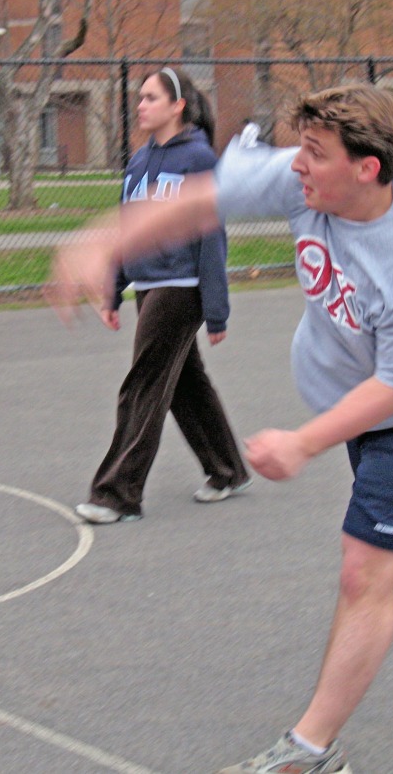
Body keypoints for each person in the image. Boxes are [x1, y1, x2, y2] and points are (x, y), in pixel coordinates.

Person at [47, 83, 393, 771]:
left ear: (367, 169)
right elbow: (197, 204)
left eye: (316, 154)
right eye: (300, 149)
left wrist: (305, 442)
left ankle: (311, 751)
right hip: (366, 397)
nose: (297, 165)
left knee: (366, 567)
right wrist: (102, 242)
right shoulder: (306, 179)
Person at [73, 66, 250, 525]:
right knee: (185, 384)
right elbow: (126, 232)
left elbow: (212, 239)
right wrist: (112, 291)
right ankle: (227, 470)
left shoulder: (198, 160)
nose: (141, 105)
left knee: (143, 385)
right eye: (140, 97)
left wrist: (216, 311)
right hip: (148, 288)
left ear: (178, 106)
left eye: (151, 97)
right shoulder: (137, 162)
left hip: (181, 288)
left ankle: (117, 493)